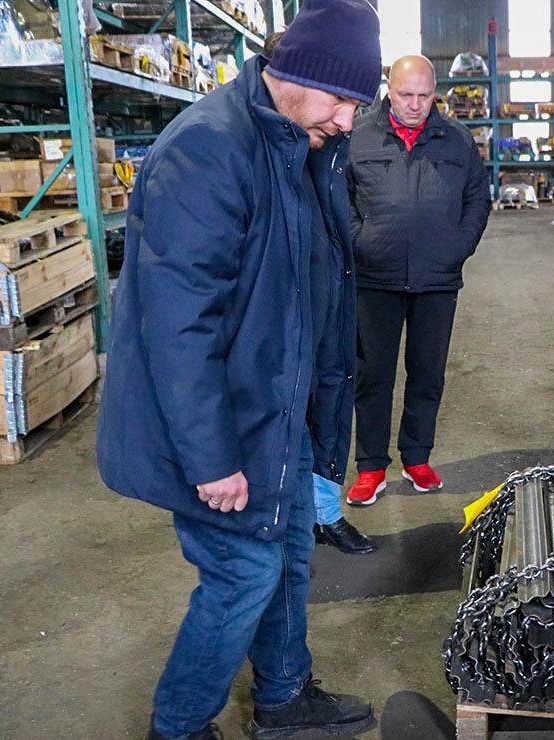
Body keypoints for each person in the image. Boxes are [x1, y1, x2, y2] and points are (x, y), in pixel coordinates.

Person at [96, 1, 382, 736]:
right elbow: (178, 325)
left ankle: (283, 696)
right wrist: (211, 459)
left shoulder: (298, 143)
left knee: (288, 553)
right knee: (242, 574)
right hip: (221, 426)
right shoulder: (209, 150)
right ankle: (179, 725)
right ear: (300, 73)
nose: (348, 121)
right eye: (342, 100)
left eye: (359, 104)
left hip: (275, 410)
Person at [337, 54, 491, 507]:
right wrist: (359, 242)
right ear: (389, 89)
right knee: (373, 375)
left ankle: (417, 457)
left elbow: (478, 197)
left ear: (434, 93)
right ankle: (370, 467)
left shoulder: (457, 139)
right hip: (375, 277)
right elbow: (339, 196)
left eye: (424, 95)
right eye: (406, 94)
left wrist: (459, 245)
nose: (415, 104)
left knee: (427, 373)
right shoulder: (359, 135)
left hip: (437, 280)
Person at [257, 31, 376, 556]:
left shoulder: (330, 143)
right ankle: (290, 520)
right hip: (282, 313)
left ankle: (325, 514)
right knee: (289, 415)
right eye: (336, 101)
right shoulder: (249, 149)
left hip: (329, 296)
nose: (344, 119)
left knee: (330, 404)